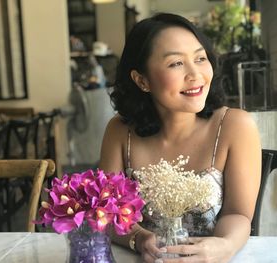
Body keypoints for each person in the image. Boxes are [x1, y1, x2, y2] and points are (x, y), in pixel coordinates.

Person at [99, 13, 261, 263]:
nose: (195, 74)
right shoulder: (120, 132)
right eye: (176, 63)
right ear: (142, 80)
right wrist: (139, 238)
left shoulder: (235, 126)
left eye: (200, 58)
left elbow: (238, 213)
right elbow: (108, 213)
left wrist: (224, 246)